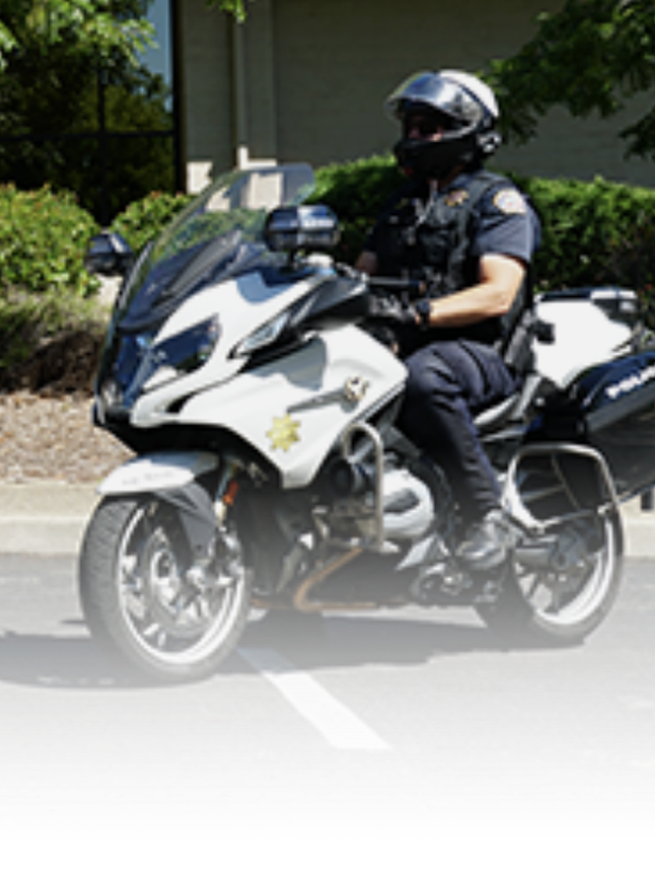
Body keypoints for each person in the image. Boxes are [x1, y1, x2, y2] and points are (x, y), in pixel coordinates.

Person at [246, 70, 540, 648]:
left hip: (479, 352)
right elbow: (361, 277)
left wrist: (421, 315)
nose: (416, 135)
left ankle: (487, 515)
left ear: (467, 131)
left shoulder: (496, 201)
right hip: (403, 344)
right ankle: (296, 594)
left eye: (430, 126)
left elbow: (498, 292)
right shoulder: (402, 205)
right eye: (411, 125)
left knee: (423, 380)